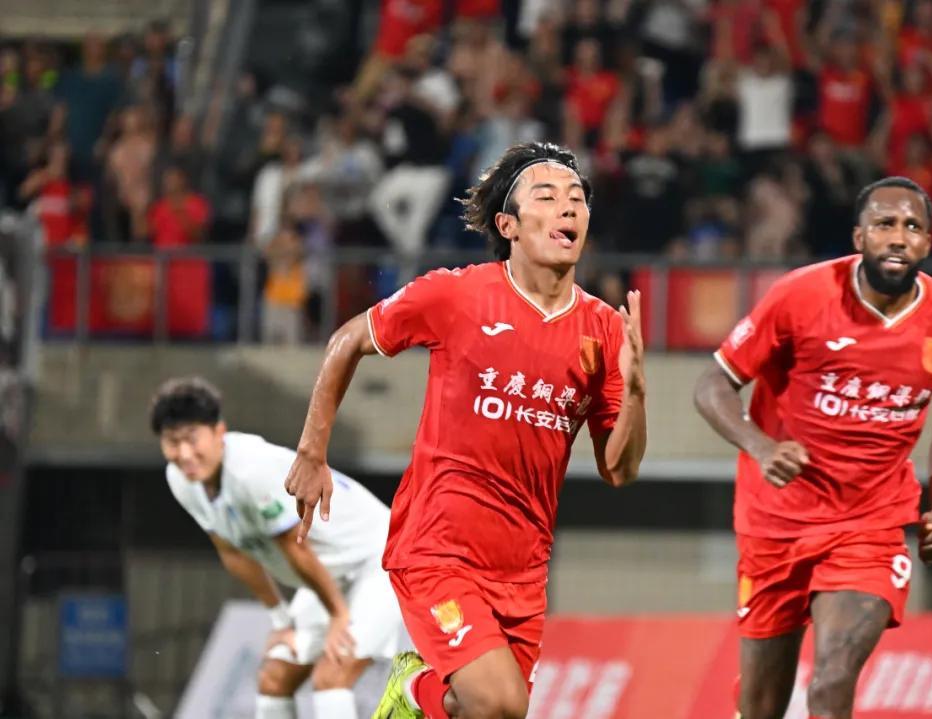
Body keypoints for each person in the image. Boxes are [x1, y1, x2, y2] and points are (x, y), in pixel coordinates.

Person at [283, 141, 647, 719]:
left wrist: (636, 394)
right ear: (508, 225)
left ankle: (417, 698)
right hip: (437, 548)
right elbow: (348, 339)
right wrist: (312, 450)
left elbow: (619, 469)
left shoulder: (604, 329)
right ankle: (412, 688)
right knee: (499, 701)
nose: (567, 208)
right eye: (547, 197)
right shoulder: (457, 294)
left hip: (523, 568)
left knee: (489, 711)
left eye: (577, 199)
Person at [694, 176, 932, 719]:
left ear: (927, 242)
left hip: (869, 527)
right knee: (760, 708)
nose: (898, 237)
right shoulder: (801, 296)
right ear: (859, 236)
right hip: (774, 523)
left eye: (912, 226)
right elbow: (712, 385)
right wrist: (761, 447)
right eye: (884, 224)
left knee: (832, 679)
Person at [150, 377, 411, 719]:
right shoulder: (181, 480)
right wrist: (280, 619)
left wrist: (338, 616)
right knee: (274, 678)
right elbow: (233, 553)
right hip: (330, 578)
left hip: (381, 558)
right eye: (173, 442)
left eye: (191, 439)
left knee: (331, 676)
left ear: (218, 431)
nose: (184, 453)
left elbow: (295, 546)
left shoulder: (250, 469)